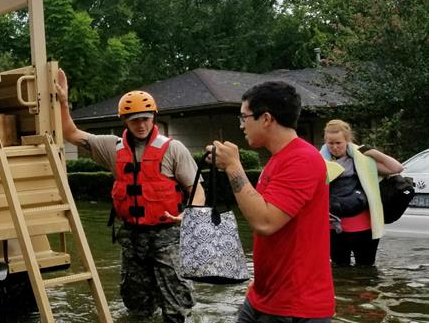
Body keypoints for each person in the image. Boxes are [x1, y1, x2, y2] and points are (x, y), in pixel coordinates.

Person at [56, 69, 202, 323]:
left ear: (153, 117)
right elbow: (71, 133)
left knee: (177, 307)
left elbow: (198, 189)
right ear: (125, 121)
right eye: (134, 120)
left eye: (145, 118)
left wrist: (188, 214)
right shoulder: (112, 148)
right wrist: (63, 102)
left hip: (168, 236)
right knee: (136, 306)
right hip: (132, 238)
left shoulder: (173, 149)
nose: (141, 125)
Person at [209, 81, 334, 323]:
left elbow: (265, 222)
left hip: (295, 305)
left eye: (244, 117)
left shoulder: (302, 159)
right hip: (264, 296)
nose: (242, 125)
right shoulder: (280, 159)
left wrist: (233, 166)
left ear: (266, 119)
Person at [321, 119, 403, 267]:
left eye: (338, 143)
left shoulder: (363, 160)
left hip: (364, 228)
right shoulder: (319, 162)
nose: (334, 147)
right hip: (333, 228)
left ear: (347, 140)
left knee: (366, 272)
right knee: (340, 272)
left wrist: (373, 152)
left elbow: (396, 168)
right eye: (330, 143)